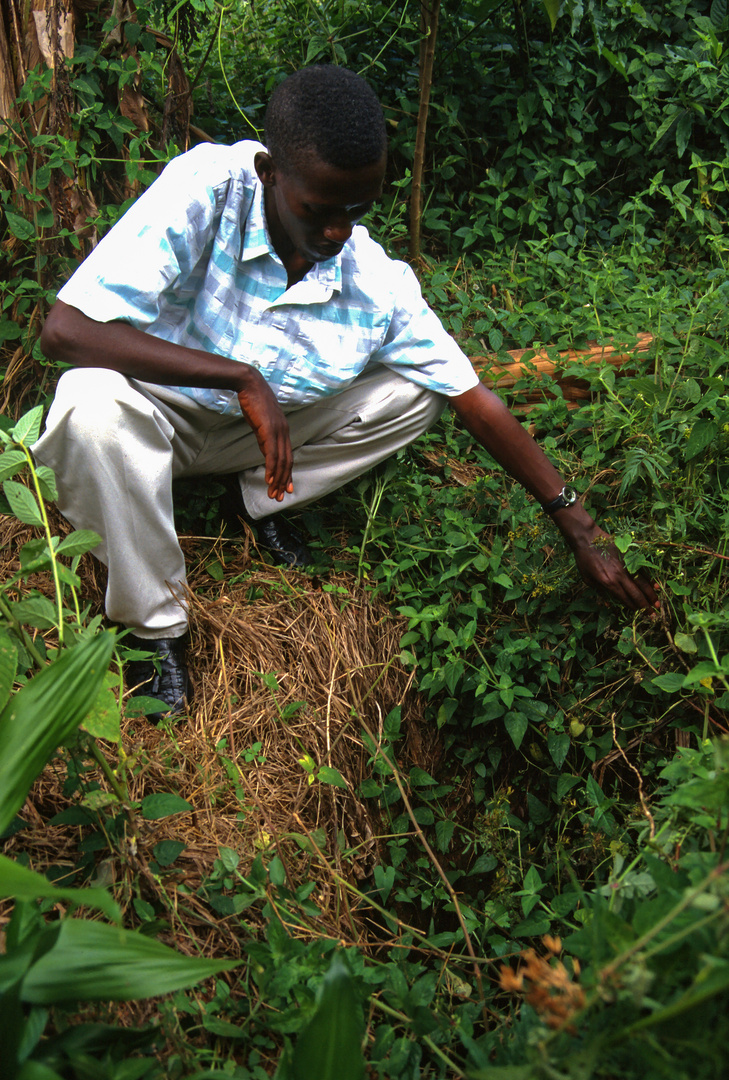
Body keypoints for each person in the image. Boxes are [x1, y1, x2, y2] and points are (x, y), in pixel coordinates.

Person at [33, 66, 658, 722]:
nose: (336, 232)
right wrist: (241, 377)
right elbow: (65, 331)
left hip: (250, 443)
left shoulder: (375, 284)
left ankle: (257, 499)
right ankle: (153, 630)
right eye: (318, 210)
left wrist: (578, 525)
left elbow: (475, 401)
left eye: (355, 211)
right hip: (150, 411)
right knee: (87, 403)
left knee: (418, 393)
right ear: (270, 172)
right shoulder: (208, 187)